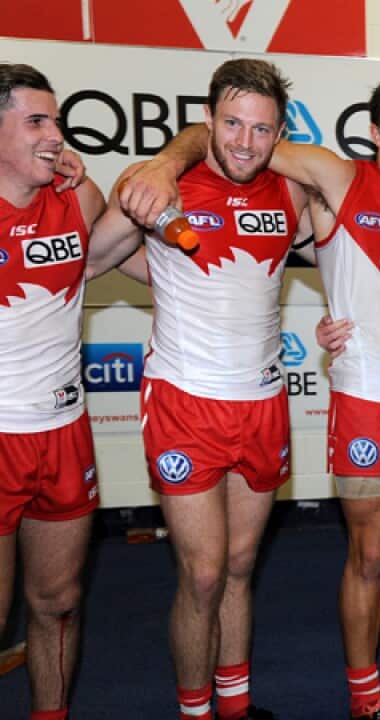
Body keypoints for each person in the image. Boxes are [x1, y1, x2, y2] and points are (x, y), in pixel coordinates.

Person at [106, 58, 309, 720]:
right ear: (207, 121)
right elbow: (82, 257)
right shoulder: (164, 186)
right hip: (184, 401)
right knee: (201, 574)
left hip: (262, 403)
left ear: (278, 133)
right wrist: (163, 166)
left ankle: (234, 706)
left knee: (241, 566)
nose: (244, 142)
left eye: (261, 129)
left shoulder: (292, 191)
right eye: (230, 124)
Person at [0, 62, 150, 720]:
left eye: (56, 120)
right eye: (36, 121)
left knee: (58, 602)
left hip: (63, 431)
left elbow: (161, 266)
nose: (56, 135)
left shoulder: (78, 198)